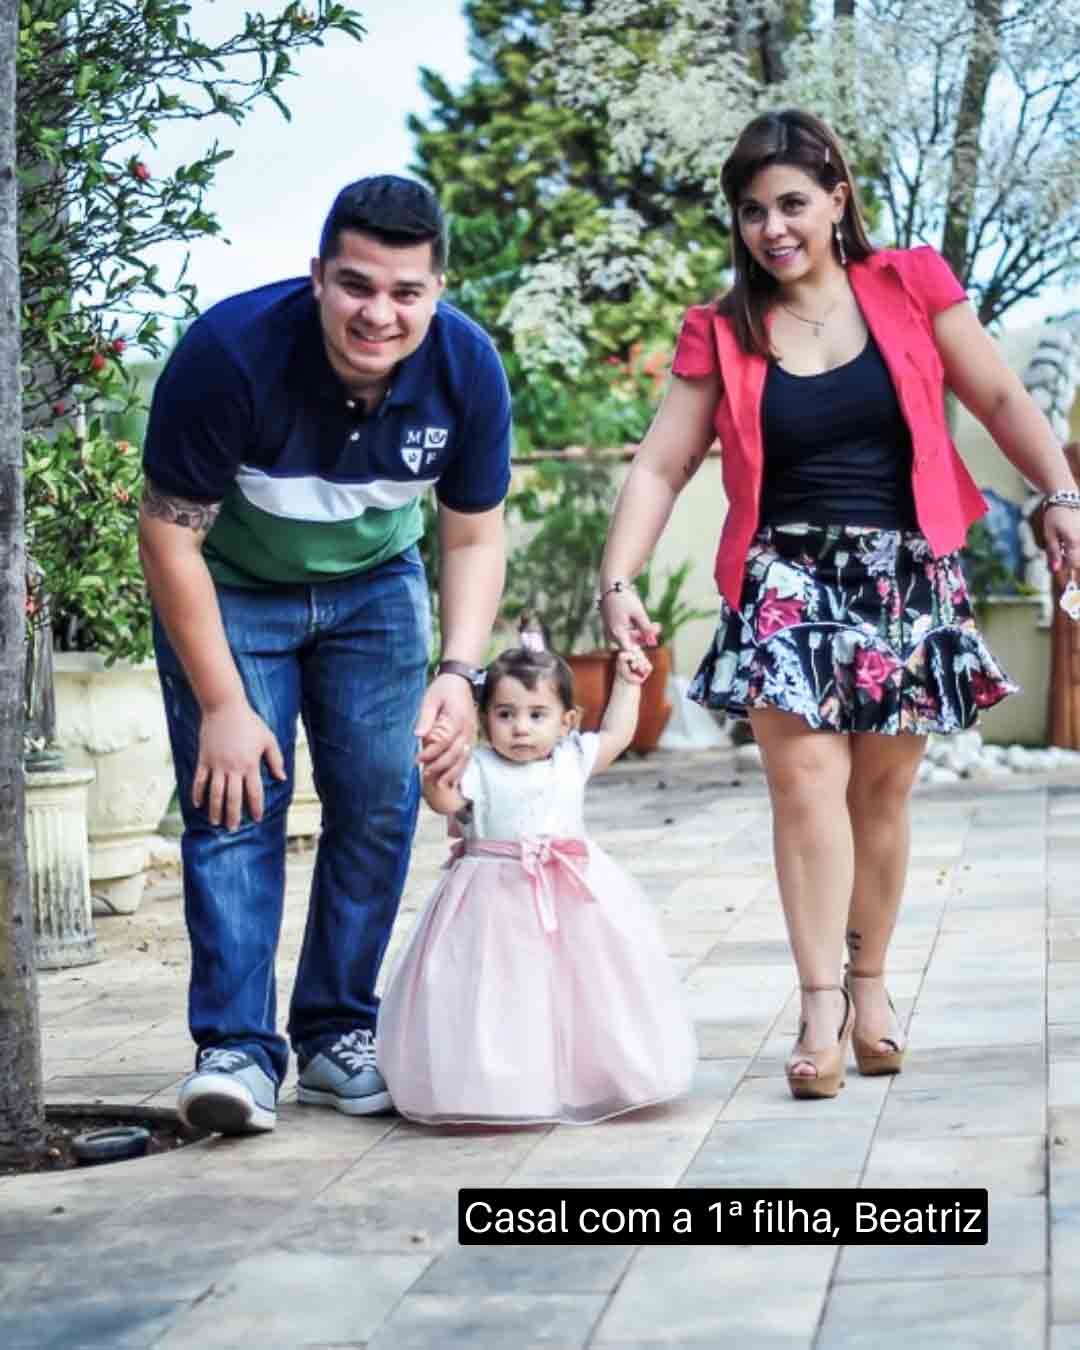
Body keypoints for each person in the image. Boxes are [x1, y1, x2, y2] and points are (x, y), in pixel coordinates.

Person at [598, 108, 1080, 1101]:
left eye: (792, 204)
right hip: (785, 573)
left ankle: (870, 988)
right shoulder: (722, 329)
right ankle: (819, 1004)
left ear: (836, 200)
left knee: (882, 794)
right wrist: (618, 578)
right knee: (804, 784)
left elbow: (999, 398)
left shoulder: (910, 285)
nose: (773, 228)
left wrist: (1060, 494)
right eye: (752, 211)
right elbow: (660, 464)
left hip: (905, 569)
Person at [139, 176, 511, 1135]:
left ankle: (339, 1031)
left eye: (405, 292)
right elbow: (168, 536)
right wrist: (222, 705)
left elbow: (474, 534)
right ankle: (235, 1050)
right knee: (235, 804)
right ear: (317, 277)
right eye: (356, 285)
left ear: (437, 290)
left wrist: (459, 674)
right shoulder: (230, 355)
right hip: (233, 589)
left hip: (376, 589)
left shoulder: (466, 367)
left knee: (382, 802)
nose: (378, 314)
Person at [375, 617, 696, 1125]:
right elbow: (444, 802)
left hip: (570, 892)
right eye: (505, 714)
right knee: (499, 990)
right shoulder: (478, 768)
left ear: (567, 721)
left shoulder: (572, 759)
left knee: (582, 987)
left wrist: (629, 682)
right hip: (490, 899)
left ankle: (595, 1075)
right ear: (483, 719)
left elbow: (616, 734)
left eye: (536, 714)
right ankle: (501, 1087)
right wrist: (436, 768)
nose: (520, 727)